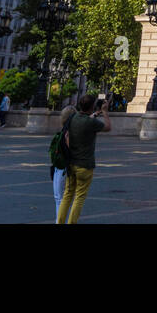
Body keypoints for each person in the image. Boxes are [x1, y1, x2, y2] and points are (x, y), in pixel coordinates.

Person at [56, 94, 111, 224]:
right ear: (92, 106)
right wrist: (104, 112)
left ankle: (60, 222)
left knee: (67, 195)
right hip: (85, 166)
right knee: (79, 197)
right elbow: (108, 127)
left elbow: (86, 118)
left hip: (71, 163)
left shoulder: (73, 118)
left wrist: (96, 113)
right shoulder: (91, 123)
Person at [51, 104, 76, 217]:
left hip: (62, 167)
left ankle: (60, 220)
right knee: (60, 198)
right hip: (62, 167)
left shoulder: (67, 131)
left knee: (60, 198)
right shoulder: (68, 130)